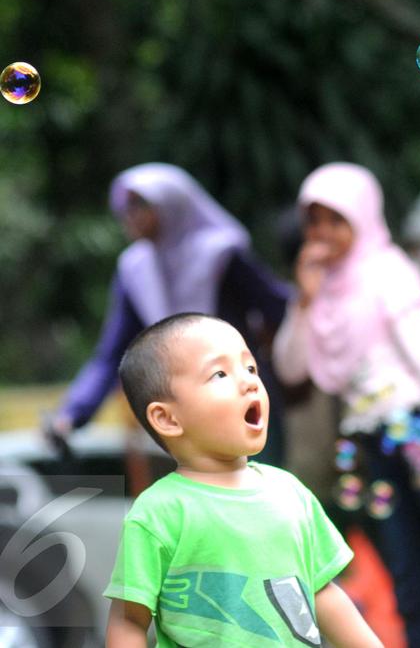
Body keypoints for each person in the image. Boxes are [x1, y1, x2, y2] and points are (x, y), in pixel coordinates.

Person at [272, 162, 420, 648]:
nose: (323, 233)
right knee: (407, 575)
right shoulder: (322, 289)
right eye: (314, 221)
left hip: (419, 428)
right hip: (371, 439)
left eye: (336, 219)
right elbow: (291, 369)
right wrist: (305, 301)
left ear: (362, 215)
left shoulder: (388, 270)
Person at [103, 313, 379, 647]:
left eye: (250, 368)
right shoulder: (157, 513)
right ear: (167, 418)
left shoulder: (290, 491)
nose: (249, 382)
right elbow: (129, 619)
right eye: (219, 373)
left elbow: (322, 593)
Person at [48, 163, 290, 466]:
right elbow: (113, 354)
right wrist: (71, 415)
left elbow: (277, 308)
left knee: (260, 481)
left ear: (171, 204)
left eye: (141, 205)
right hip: (185, 408)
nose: (130, 216)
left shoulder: (219, 255)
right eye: (127, 207)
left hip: (243, 395)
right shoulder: (135, 270)